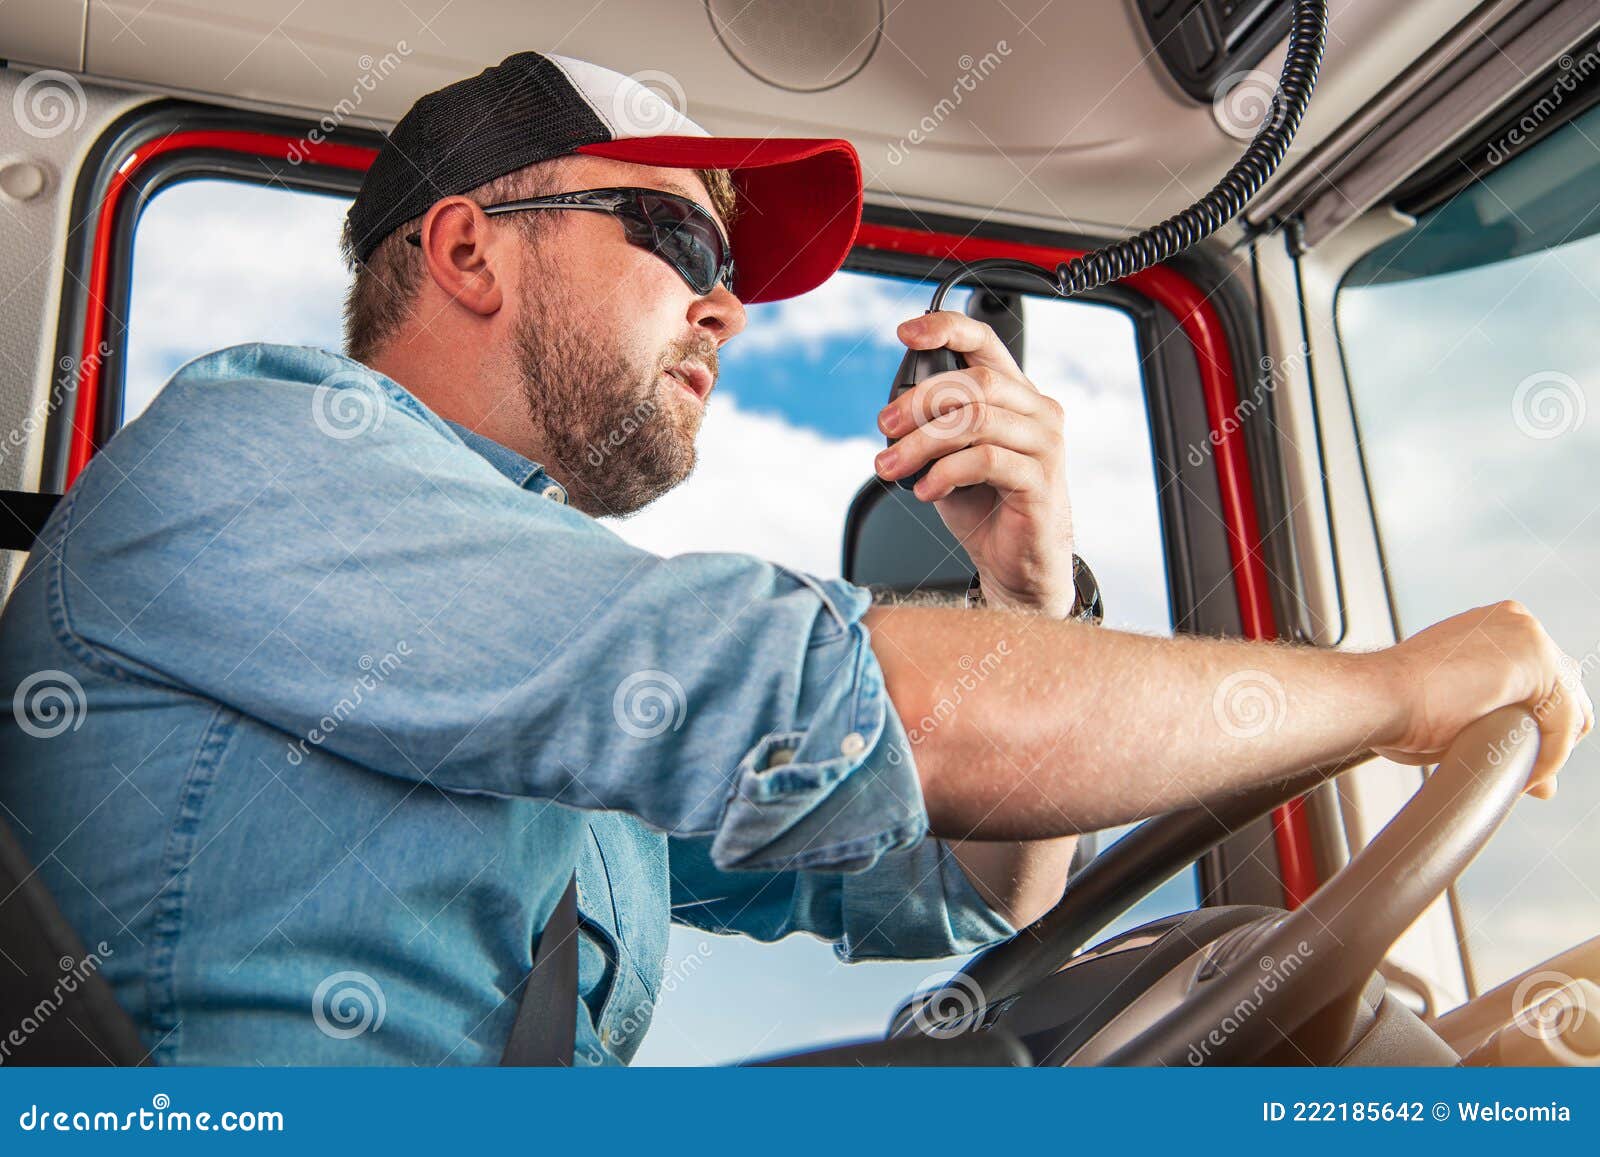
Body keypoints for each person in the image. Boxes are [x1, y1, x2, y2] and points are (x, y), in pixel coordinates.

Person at [0, 51, 1588, 1068]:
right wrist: (1393, 690)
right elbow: (883, 713)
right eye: (681, 242)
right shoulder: (265, 457)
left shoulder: (519, 637)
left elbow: (963, 890)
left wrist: (1028, 592)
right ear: (470, 247)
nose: (726, 308)